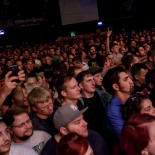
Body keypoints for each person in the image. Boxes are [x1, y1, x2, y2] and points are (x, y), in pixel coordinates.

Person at [40, 104, 110, 155]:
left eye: (83, 118)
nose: (85, 123)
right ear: (64, 130)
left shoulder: (94, 137)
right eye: (77, 122)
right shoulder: (50, 151)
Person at [103, 67, 134, 142]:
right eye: (125, 79)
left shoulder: (132, 98)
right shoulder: (112, 111)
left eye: (129, 78)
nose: (131, 81)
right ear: (116, 86)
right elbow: (126, 138)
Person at [76, 70, 106, 136]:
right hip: (91, 136)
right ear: (81, 85)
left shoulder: (103, 95)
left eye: (93, 79)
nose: (93, 83)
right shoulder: (78, 103)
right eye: (89, 81)